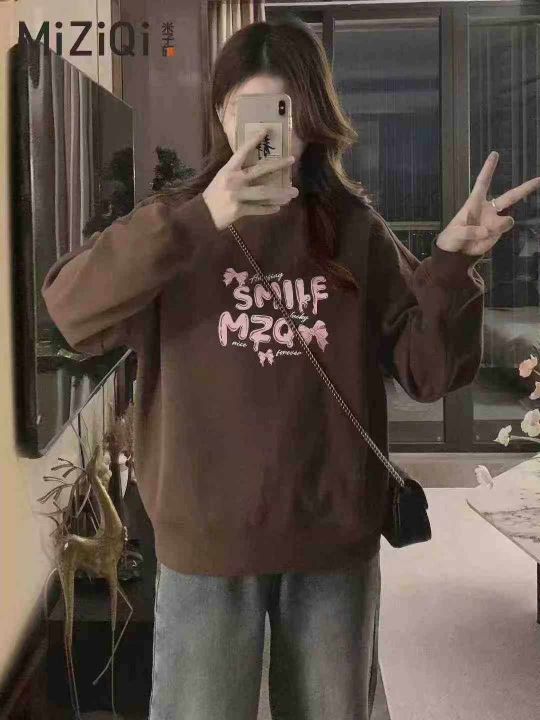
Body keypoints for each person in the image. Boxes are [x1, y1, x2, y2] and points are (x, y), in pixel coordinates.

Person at [41, 15, 540, 720]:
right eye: (249, 112)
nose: (271, 135)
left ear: (312, 122)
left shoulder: (354, 230)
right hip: (205, 542)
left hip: (331, 541)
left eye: (287, 114)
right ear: (222, 114)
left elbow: (428, 374)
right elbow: (70, 310)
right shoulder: (173, 225)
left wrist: (453, 264)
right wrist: (200, 218)